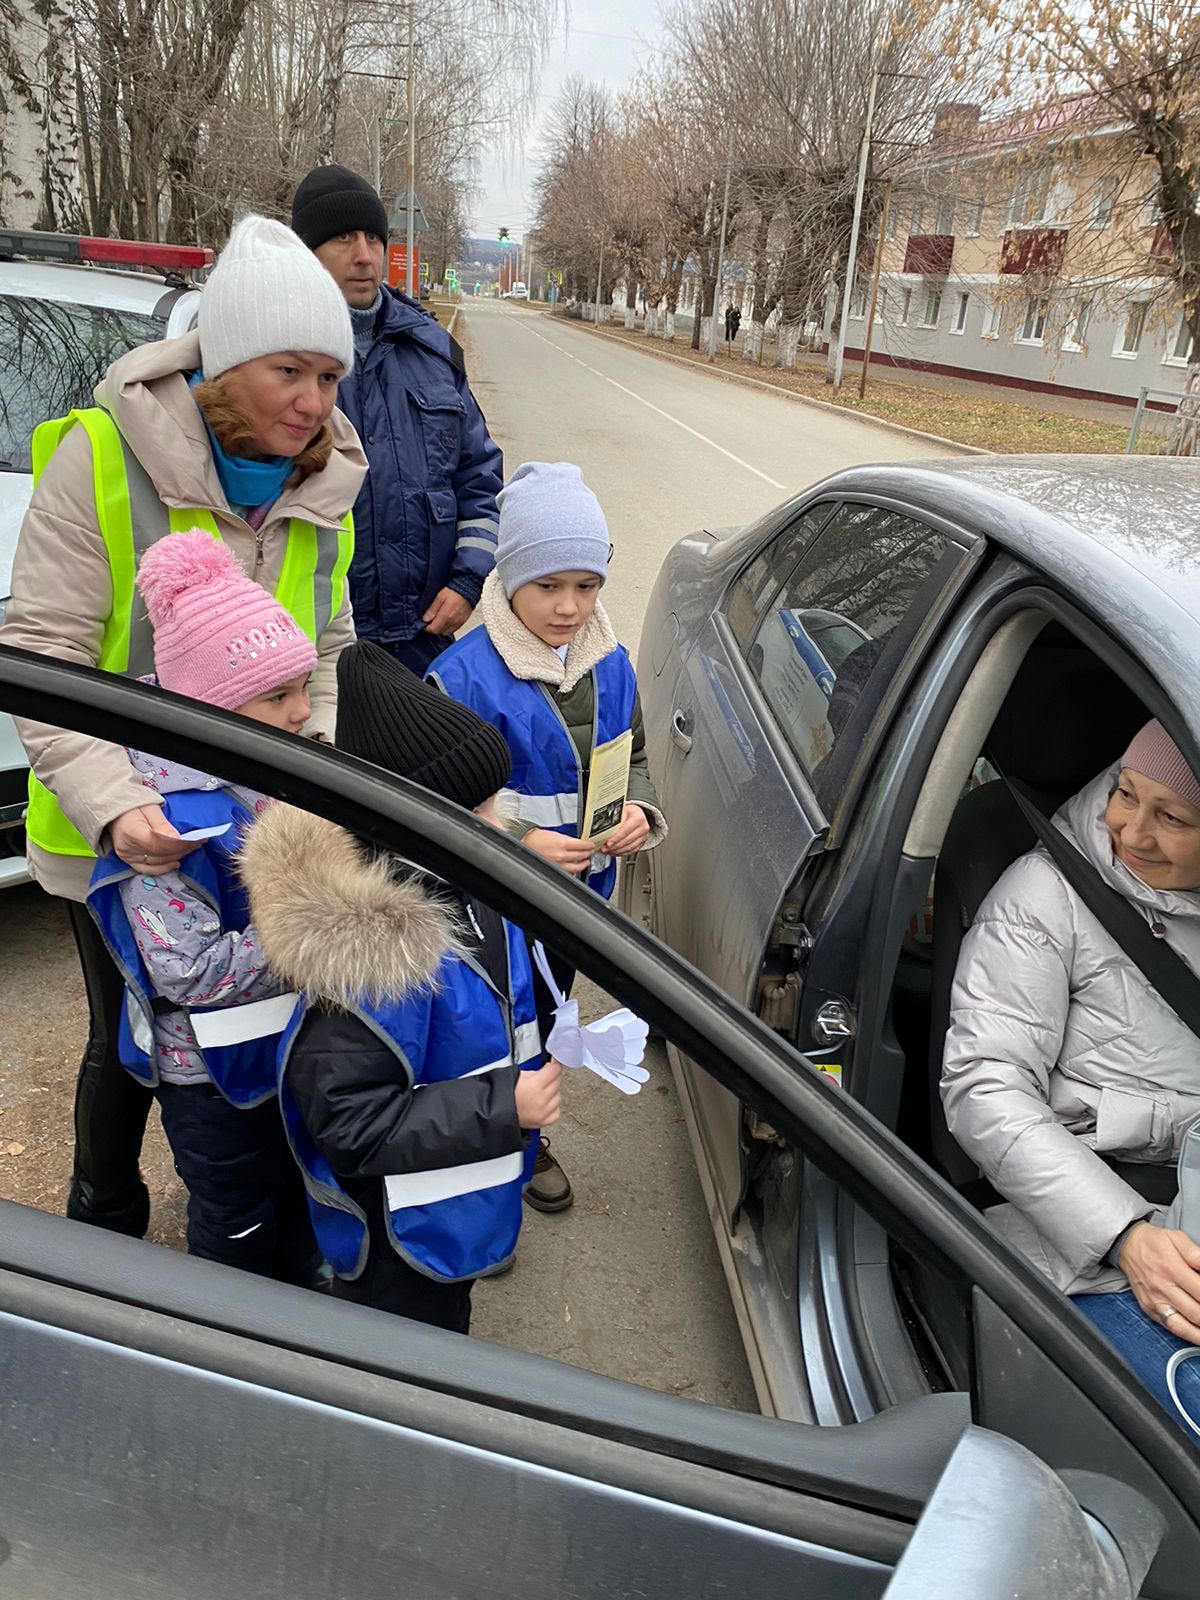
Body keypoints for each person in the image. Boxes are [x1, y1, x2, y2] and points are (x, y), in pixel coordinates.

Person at [0, 213, 365, 1238]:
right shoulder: (102, 461)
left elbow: (332, 649)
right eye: (289, 371)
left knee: (249, 1024)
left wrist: (320, 778)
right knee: (126, 1033)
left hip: (259, 823)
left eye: (330, 378)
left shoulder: (328, 485)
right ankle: (103, 1215)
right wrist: (117, 809)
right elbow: (42, 660)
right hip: (111, 830)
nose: (313, 403)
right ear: (226, 360)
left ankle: (247, 1198)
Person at [240, 642, 563, 1332]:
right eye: (476, 812)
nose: (498, 827)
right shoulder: (375, 964)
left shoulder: (468, 884)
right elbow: (352, 1124)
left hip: (461, 1199)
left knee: (452, 1317)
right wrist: (505, 1105)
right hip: (401, 1239)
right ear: (414, 823)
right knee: (417, 1355)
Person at [941, 720, 1200, 1436]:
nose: (1131, 832)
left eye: (1171, 818)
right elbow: (983, 1086)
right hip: (1087, 1237)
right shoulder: (1045, 898)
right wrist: (1126, 1237)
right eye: (1125, 793)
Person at [427, 461, 667, 1213]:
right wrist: (519, 840)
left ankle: (528, 1137)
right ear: (508, 579)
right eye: (548, 587)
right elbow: (434, 803)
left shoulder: (613, 665)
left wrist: (639, 813)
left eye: (587, 586)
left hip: (578, 898)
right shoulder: (462, 677)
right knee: (497, 1023)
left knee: (554, 1012)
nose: (569, 608)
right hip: (493, 907)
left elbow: (633, 760)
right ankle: (492, 1142)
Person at [86, 531, 324, 1282]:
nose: (303, 711)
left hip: (289, 1051)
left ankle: (301, 1312)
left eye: (303, 688)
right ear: (212, 707)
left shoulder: (270, 770)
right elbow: (187, 972)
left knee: (299, 1193)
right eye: (278, 696)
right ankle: (238, 1339)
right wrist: (320, 934)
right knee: (236, 1219)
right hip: (212, 1079)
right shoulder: (168, 826)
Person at [291, 164, 503, 674]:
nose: (364, 255)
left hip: (423, 639)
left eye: (372, 237)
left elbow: (479, 479)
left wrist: (467, 582)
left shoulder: (431, 351)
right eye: (342, 238)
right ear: (306, 253)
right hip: (307, 644)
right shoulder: (278, 358)